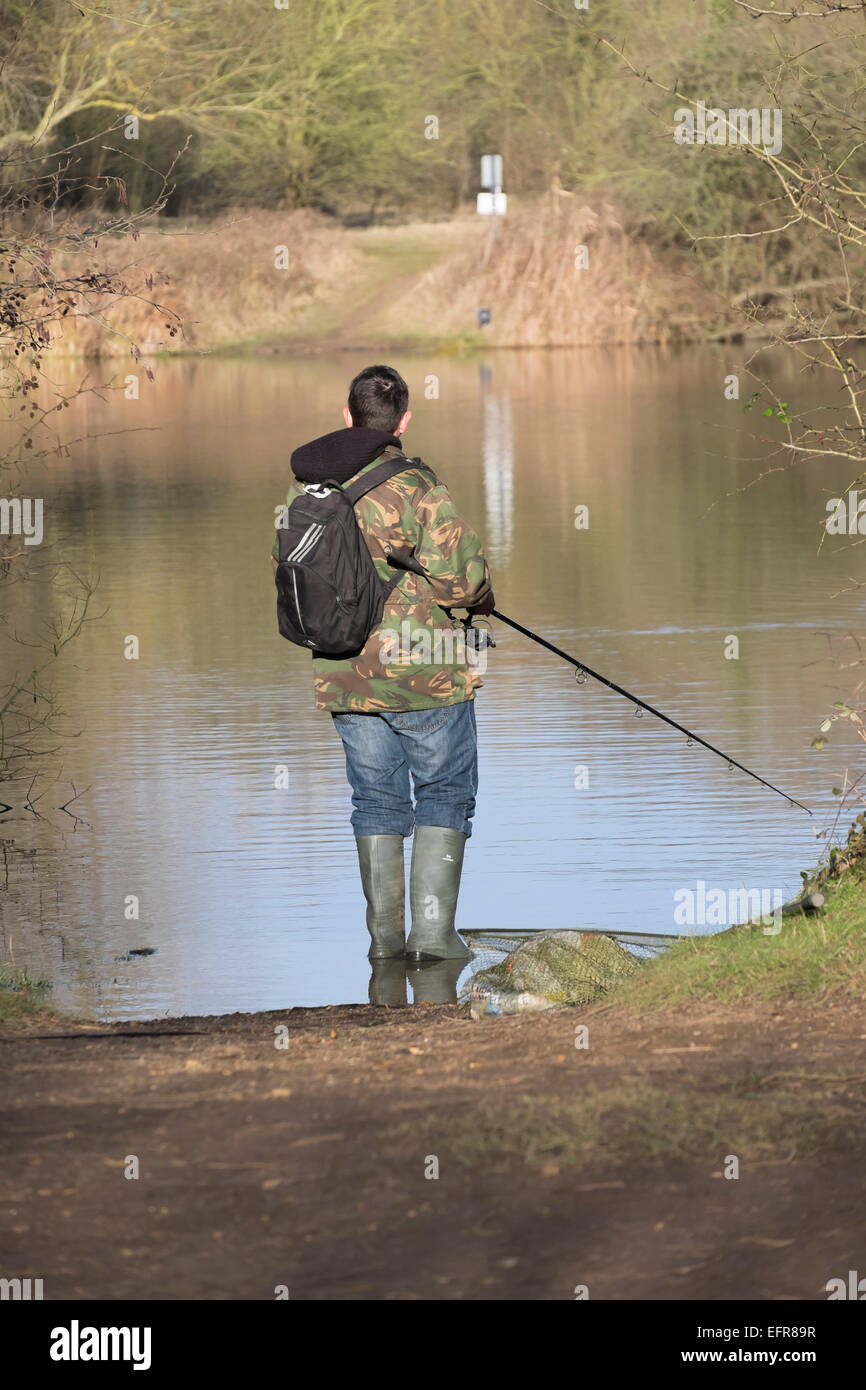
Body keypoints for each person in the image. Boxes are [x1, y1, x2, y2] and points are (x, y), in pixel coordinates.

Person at [274, 364, 494, 964]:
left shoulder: (307, 491)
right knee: (445, 793)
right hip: (426, 673)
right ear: (403, 421)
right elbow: (461, 584)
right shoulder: (420, 487)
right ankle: (432, 939)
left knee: (375, 801)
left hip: (344, 673)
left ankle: (385, 947)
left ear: (347, 416)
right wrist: (480, 597)